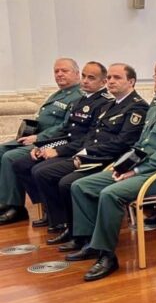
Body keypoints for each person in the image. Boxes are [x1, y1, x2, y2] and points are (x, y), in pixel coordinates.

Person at [66, 64, 156, 281]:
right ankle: (90, 242)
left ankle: (107, 256)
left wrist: (135, 170)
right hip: (142, 168)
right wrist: (121, 165)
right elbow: (141, 144)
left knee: (111, 194)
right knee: (81, 185)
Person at [20, 63, 147, 243]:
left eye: (116, 78)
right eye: (109, 77)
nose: (111, 81)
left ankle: (77, 232)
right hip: (91, 155)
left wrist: (85, 153)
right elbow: (91, 135)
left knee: (64, 181)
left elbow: (122, 143)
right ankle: (69, 227)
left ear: (131, 82)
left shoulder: (137, 107)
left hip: (109, 160)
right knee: (43, 171)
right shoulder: (110, 105)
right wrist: (78, 152)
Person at [0, 61, 110, 226]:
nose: (85, 80)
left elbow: (85, 136)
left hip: (77, 148)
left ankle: (52, 214)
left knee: (27, 164)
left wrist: (48, 145)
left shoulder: (97, 101)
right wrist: (43, 145)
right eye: (84, 77)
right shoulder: (73, 97)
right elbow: (67, 128)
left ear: (103, 81)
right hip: (61, 141)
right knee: (19, 161)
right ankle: (46, 207)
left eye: (64, 71)